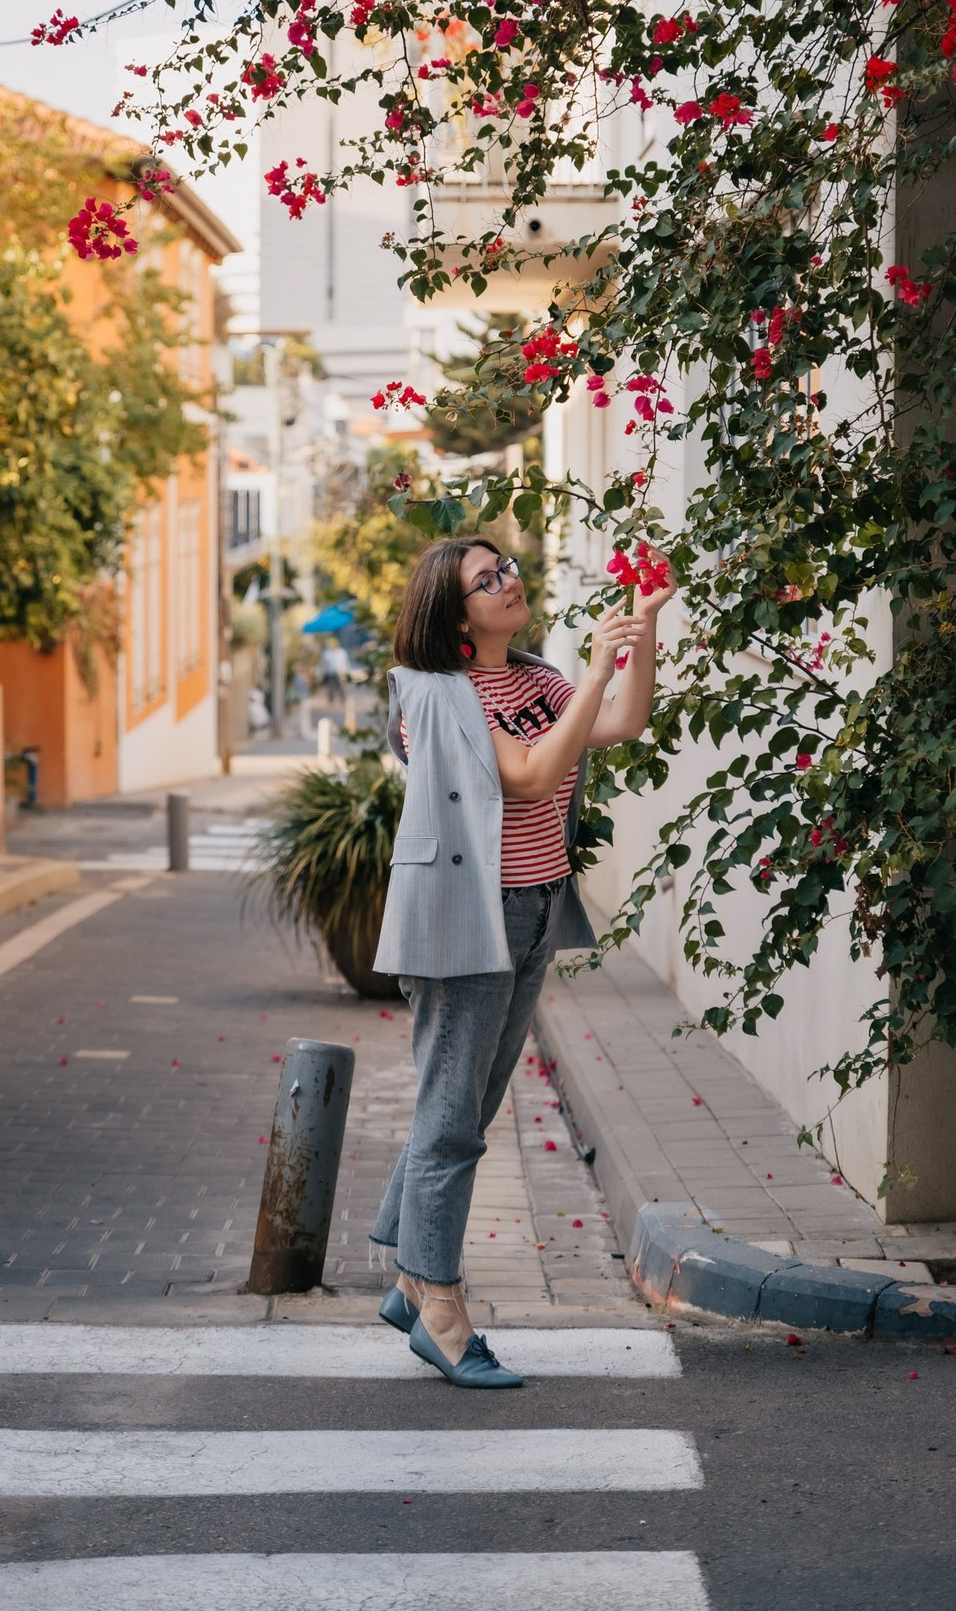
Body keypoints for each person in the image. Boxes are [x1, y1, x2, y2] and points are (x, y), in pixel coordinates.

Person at [369, 536, 674, 1387]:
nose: (509, 580)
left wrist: (641, 630)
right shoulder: (435, 697)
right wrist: (599, 666)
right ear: (455, 615)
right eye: (487, 578)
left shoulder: (536, 680)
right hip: (469, 920)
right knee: (452, 1120)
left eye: (506, 566)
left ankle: (410, 1272)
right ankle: (438, 1308)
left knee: (464, 1105)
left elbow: (621, 723)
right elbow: (534, 775)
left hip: (536, 909)